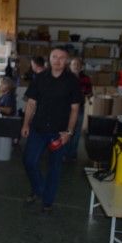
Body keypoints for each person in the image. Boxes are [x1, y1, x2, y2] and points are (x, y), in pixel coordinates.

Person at [21, 47, 82, 213]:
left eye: (62, 58)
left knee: (54, 168)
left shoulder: (72, 81)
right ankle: (39, 189)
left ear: (66, 61)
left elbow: (75, 109)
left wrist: (69, 132)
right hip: (38, 129)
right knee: (29, 161)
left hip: (59, 133)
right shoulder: (40, 78)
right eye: (54, 56)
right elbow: (31, 103)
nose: (57, 60)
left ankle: (47, 201)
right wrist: (26, 124)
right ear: (49, 58)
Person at [63, 57, 92, 161]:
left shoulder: (86, 79)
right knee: (66, 130)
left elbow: (89, 92)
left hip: (79, 108)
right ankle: (64, 153)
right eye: (73, 64)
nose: (75, 66)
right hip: (66, 108)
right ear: (70, 66)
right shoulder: (65, 77)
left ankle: (72, 154)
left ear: (81, 67)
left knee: (76, 132)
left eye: (78, 64)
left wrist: (85, 94)